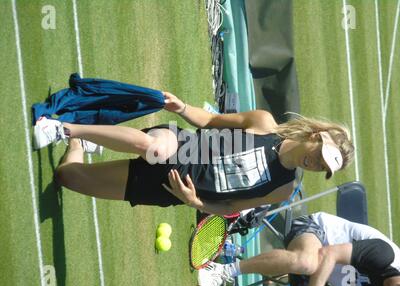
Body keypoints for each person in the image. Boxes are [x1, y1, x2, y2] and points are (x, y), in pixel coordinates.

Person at [33, 91, 354, 215]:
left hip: (171, 189)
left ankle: (78, 144)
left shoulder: (283, 189)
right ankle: (63, 128)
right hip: (181, 147)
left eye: (323, 167)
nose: (316, 164)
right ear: (315, 136)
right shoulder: (264, 124)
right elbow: (212, 120)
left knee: (67, 177)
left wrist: (195, 202)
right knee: (154, 147)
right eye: (321, 155)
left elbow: (232, 207)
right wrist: (183, 108)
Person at [198, 212, 400, 286]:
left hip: (320, 274)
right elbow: (328, 254)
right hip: (316, 233)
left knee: (310, 266)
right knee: (308, 262)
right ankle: (225, 270)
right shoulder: (385, 255)